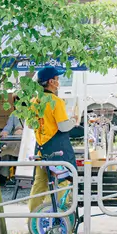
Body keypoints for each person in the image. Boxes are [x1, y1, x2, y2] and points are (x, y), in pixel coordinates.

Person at [27, 66, 79, 213]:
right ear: (51, 82)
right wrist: (74, 120)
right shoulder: (56, 101)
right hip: (58, 150)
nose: (58, 82)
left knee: (39, 184)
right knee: (62, 182)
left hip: (41, 149)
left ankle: (33, 218)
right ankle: (55, 217)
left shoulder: (34, 101)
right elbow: (63, 127)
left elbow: (30, 124)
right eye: (57, 79)